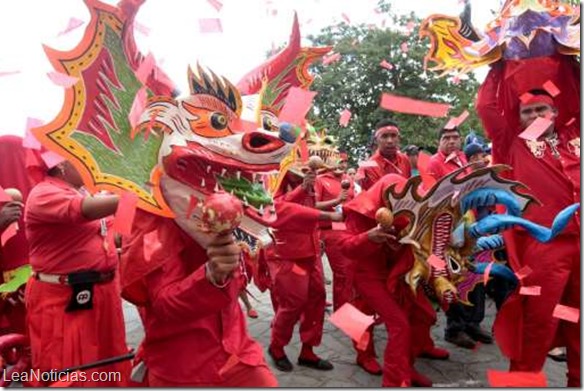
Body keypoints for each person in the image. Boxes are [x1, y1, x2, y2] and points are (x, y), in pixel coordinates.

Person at [477, 62, 580, 386]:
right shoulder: (512, 142)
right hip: (544, 246)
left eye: (543, 110)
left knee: (575, 317)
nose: (536, 117)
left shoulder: (571, 137)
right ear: (518, 118)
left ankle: (577, 379)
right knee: (538, 321)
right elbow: (486, 106)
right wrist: (499, 64)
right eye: (528, 112)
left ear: (555, 113)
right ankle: (522, 383)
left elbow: (572, 94)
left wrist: (572, 64)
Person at [121, 199, 279, 387]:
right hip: (184, 364)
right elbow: (164, 304)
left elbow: (240, 278)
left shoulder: (218, 200)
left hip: (238, 347)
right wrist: (210, 274)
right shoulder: (142, 206)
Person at [24, 159, 130, 386]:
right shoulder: (43, 193)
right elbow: (83, 210)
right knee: (69, 369)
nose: (90, 165)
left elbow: (117, 233)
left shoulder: (84, 192)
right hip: (64, 299)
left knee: (110, 362)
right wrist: (135, 196)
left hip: (104, 294)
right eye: (82, 160)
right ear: (62, 165)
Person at [340, 174, 442, 387]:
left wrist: (444, 269)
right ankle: (381, 370)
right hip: (364, 272)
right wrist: (369, 237)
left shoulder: (406, 211)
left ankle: (406, 367)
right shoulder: (359, 211)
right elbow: (345, 248)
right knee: (365, 316)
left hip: (397, 271)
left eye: (393, 136)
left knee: (423, 314)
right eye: (385, 136)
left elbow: (424, 247)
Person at [267, 170, 339, 373]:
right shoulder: (276, 177)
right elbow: (276, 208)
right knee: (293, 303)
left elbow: (309, 209)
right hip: (288, 254)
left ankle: (308, 351)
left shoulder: (308, 179)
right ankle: (276, 348)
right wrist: (301, 188)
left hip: (312, 251)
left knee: (317, 297)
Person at [427, 126, 492, 349]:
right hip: (446, 228)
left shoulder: (464, 160)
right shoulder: (434, 163)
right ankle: (454, 328)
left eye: (456, 137)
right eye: (447, 138)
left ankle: (473, 322)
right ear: (439, 141)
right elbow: (433, 197)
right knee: (454, 276)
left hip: (469, 225)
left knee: (475, 275)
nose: (452, 141)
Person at [314, 154, 355, 311]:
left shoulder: (348, 179)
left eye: (345, 161)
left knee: (351, 271)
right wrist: (336, 201)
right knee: (343, 272)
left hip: (349, 229)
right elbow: (313, 205)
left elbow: (353, 200)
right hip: (330, 230)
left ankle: (349, 308)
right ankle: (344, 311)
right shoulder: (320, 179)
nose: (342, 164)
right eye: (339, 161)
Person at [356, 119, 411, 191]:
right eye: (384, 136)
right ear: (376, 140)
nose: (390, 141)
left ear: (399, 138)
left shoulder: (404, 159)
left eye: (393, 136)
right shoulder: (367, 166)